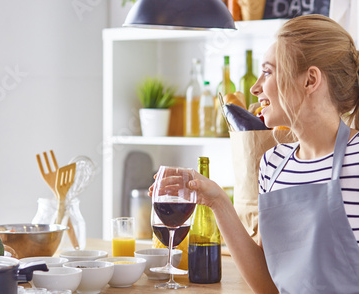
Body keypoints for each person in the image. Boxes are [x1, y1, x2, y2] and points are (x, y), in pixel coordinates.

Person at [150, 14, 359, 293]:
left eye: (269, 71)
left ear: (310, 80)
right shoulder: (273, 165)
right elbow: (267, 284)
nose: (255, 86)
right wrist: (217, 202)